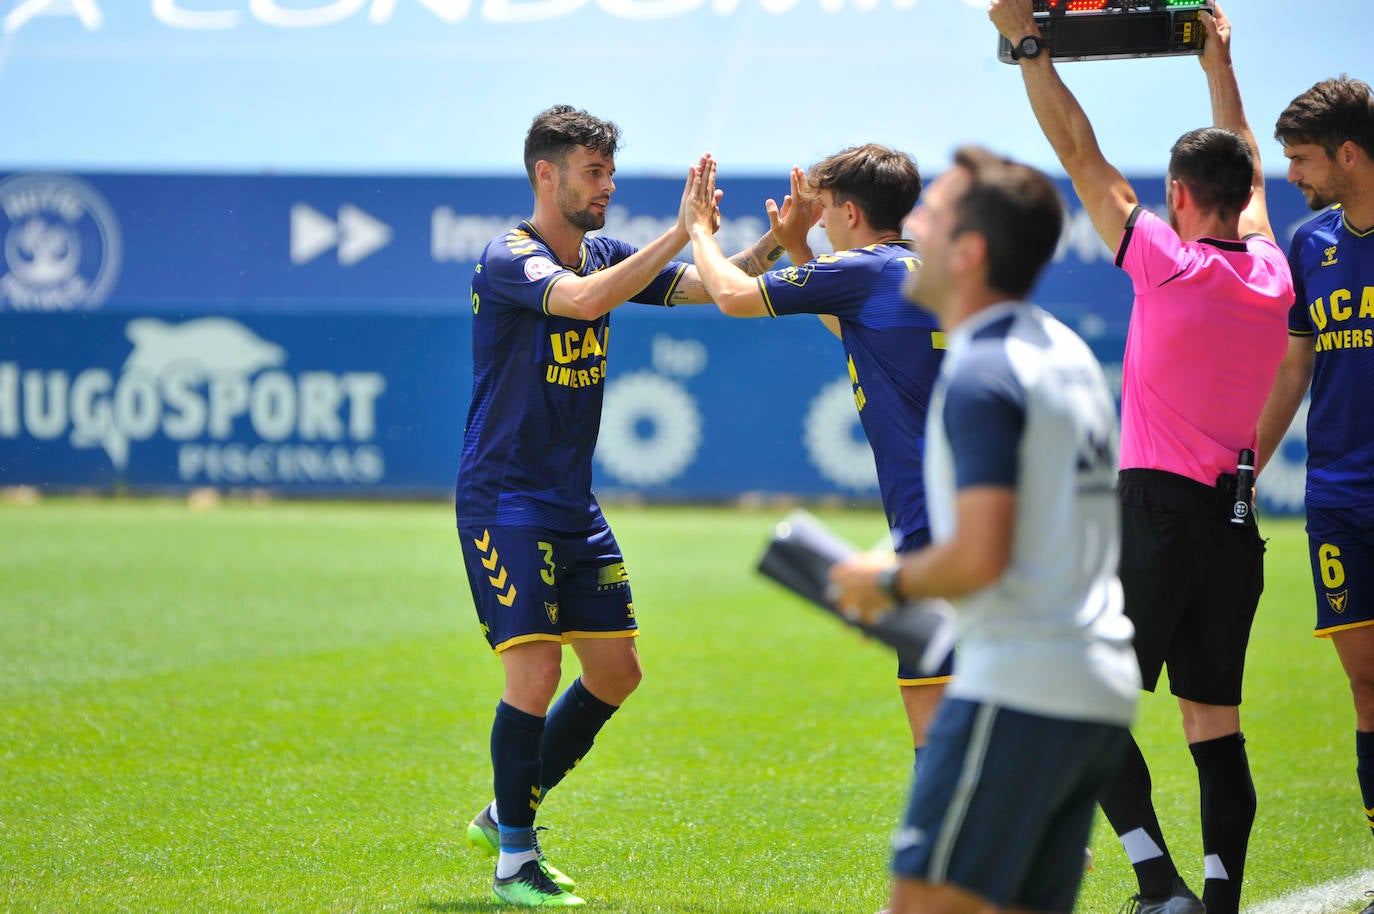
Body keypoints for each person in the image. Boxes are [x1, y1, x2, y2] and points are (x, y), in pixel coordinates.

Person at [988, 3, 1294, 913]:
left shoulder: (1166, 262)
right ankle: (1220, 897)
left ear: (1179, 196)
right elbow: (1241, 156)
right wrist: (1218, 63)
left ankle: (1158, 883)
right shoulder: (1272, 273)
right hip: (1235, 529)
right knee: (1215, 729)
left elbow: (1079, 151)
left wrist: (1029, 43)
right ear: (1242, 195)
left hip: (1153, 514)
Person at [455, 104, 788, 908]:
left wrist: (773, 241)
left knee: (616, 672)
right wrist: (678, 232)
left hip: (570, 501)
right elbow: (580, 302)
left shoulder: (603, 250)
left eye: (608, 171)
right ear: (547, 174)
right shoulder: (509, 257)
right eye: (592, 172)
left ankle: (504, 810)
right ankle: (515, 863)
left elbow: (702, 289)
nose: (605, 186)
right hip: (507, 499)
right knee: (534, 671)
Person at [825, 145, 1140, 914]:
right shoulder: (1058, 349)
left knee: (923, 905)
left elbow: (979, 555)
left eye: (929, 218)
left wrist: (885, 584)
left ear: (967, 253)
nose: (908, 234)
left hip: (1018, 684)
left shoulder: (981, 371)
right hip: (1095, 682)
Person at [681, 144, 953, 768]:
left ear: (851, 212)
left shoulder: (860, 271)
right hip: (973, 504)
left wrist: (697, 230)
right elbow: (863, 330)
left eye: (826, 210)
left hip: (928, 515)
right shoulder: (920, 269)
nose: (821, 220)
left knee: (933, 710)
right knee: (981, 692)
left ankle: (977, 853)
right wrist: (801, 250)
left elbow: (732, 296)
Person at [1255, 74, 1374, 914]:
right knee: (1367, 682)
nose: (1291, 173)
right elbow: (1296, 365)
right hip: (1336, 492)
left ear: (1348, 154)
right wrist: (1245, 464)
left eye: (1299, 159)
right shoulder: (1310, 243)